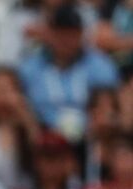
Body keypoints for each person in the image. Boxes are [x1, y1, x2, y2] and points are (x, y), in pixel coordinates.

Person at [19, 4, 118, 141]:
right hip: (43, 138)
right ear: (49, 34)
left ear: (81, 34)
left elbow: (110, 108)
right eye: (60, 33)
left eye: (72, 34)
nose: (66, 39)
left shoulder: (101, 66)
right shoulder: (30, 68)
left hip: (91, 137)